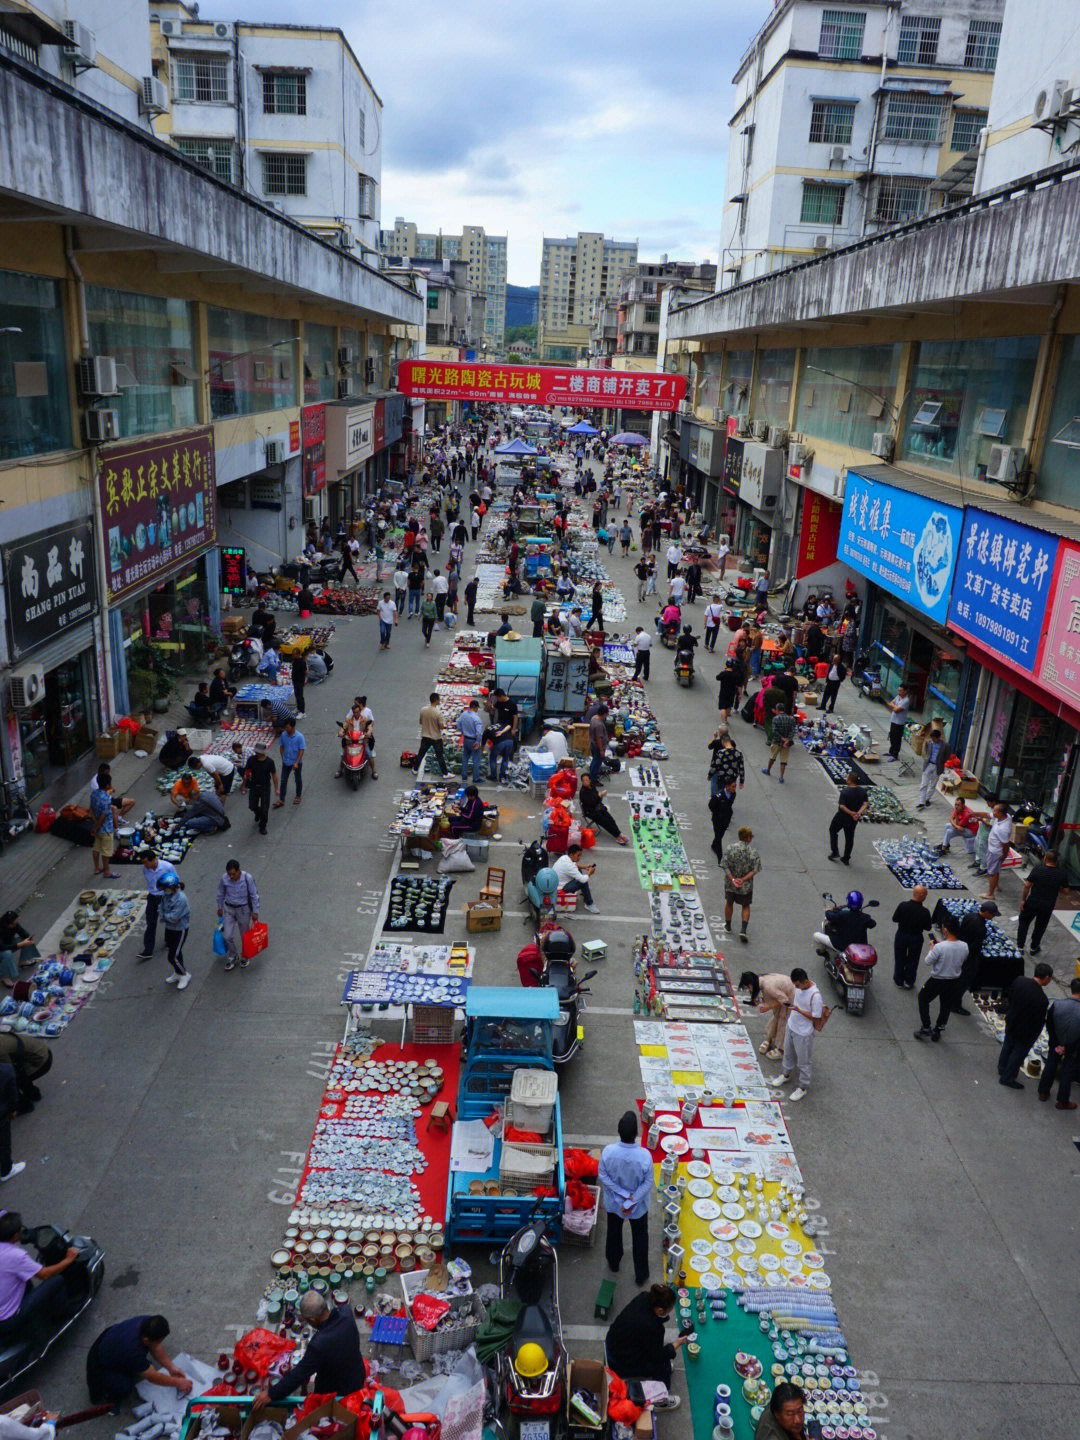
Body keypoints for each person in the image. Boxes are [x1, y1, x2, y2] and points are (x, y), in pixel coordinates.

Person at [255, 1292, 366, 1408]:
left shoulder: (319, 1344)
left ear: (312, 1320)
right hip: (357, 1375)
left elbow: (298, 1375)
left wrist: (271, 1394)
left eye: (306, 1319)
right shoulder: (346, 1312)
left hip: (338, 1391)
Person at [86, 1315, 191, 1410]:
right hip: (101, 1364)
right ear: (145, 1340)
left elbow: (155, 1346)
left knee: (135, 1366)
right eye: (158, 1341)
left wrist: (171, 1367)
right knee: (125, 1387)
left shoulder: (147, 1322)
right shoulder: (133, 1352)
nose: (159, 1344)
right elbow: (153, 1377)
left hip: (110, 1341)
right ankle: (108, 1397)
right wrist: (178, 1382)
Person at [0, 1212, 82, 1332]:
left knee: (24, 1278)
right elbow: (45, 1274)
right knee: (56, 1280)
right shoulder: (15, 1256)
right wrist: (68, 1260)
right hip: (9, 1319)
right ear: (16, 1235)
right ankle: (61, 1315)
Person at [598, 1111, 653, 1286]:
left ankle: (614, 1263)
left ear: (618, 1131)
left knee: (613, 1233)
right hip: (638, 1206)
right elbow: (648, 1182)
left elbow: (603, 1177)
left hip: (615, 1204)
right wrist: (631, 1199)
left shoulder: (608, 1152)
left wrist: (621, 1195)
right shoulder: (644, 1156)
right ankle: (641, 1274)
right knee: (640, 1237)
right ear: (637, 1134)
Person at [605, 1284, 687, 1397]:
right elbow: (657, 1356)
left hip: (611, 1343)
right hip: (619, 1362)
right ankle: (662, 1396)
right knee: (663, 1365)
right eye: (669, 1309)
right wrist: (676, 1344)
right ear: (660, 1310)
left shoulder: (644, 1296)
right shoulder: (653, 1328)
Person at [770, 968, 831, 1102]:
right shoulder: (798, 988)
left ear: (804, 981)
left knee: (803, 1062)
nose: (796, 988)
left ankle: (802, 1087)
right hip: (792, 1026)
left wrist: (799, 1010)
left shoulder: (815, 995)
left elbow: (816, 1016)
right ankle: (785, 1074)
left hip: (804, 1033)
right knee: (788, 1053)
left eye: (797, 985)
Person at [998, 963, 1053, 1087]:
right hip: (1025, 1030)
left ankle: (1002, 1068)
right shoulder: (1042, 999)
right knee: (1018, 1053)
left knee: (1007, 1045)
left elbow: (1010, 998)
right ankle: (1007, 1077)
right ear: (1046, 977)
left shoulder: (1019, 981)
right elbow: (1038, 1021)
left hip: (1012, 1020)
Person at [914, 915, 967, 1042]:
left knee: (923, 998)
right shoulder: (964, 946)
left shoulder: (940, 947)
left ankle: (926, 1027)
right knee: (946, 1006)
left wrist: (932, 948)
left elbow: (928, 961)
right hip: (954, 980)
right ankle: (938, 1029)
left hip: (937, 980)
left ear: (945, 930)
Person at [1038, 977, 1080, 1108]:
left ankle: (1043, 1092)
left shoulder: (1057, 1005)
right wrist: (1067, 1047)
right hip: (1073, 1048)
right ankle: (1062, 1101)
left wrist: (1057, 1044)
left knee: (1051, 1064)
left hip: (1055, 1044)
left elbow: (1049, 1025)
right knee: (1067, 1072)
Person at [739, 970, 796, 1060]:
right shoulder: (762, 980)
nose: (749, 989)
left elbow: (785, 1001)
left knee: (782, 1020)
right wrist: (760, 1001)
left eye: (747, 987)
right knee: (777, 1016)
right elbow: (770, 997)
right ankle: (769, 1039)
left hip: (791, 997)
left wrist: (769, 1007)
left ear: (750, 985)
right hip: (784, 995)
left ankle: (781, 1049)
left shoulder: (768, 987)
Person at [953, 899, 998, 1013]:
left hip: (960, 949)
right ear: (987, 912)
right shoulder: (981, 928)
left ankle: (951, 998)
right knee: (964, 980)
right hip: (969, 957)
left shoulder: (969, 916)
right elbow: (975, 947)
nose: (993, 916)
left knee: (957, 977)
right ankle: (955, 1004)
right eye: (992, 914)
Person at [1017, 850, 1066, 954]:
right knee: (1040, 926)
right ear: (1056, 860)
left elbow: (1027, 886)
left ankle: (1020, 947)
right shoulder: (1061, 873)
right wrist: (1056, 887)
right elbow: (1066, 890)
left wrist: (1023, 900)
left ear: (1045, 858)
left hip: (1032, 902)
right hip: (1048, 905)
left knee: (1024, 922)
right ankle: (1034, 947)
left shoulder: (1038, 869)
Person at [217, 859, 260, 972]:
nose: (231, 876)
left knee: (244, 935)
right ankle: (233, 955)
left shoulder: (247, 878)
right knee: (227, 936)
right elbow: (220, 893)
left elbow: (254, 895)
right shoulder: (224, 878)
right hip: (229, 910)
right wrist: (219, 907)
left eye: (233, 873)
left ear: (239, 871)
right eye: (229, 874)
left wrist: (255, 912)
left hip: (243, 910)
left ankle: (245, 956)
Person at [892, 885, 933, 989]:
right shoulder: (925, 912)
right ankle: (909, 980)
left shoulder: (903, 905)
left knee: (899, 958)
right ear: (922, 895)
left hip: (901, 935)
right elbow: (928, 927)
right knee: (913, 960)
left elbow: (895, 919)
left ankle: (898, 980)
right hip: (916, 938)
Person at [724, 826, 761, 943]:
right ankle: (743, 930)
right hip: (746, 886)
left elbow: (725, 866)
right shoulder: (753, 852)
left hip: (731, 884)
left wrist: (733, 879)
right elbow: (755, 870)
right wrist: (743, 880)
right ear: (748, 838)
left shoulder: (730, 848)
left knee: (729, 903)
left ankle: (728, 926)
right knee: (745, 906)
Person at [827, 771, 869, 865]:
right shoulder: (862, 791)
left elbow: (842, 806)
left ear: (850, 781)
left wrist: (851, 813)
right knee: (849, 837)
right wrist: (857, 813)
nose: (846, 779)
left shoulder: (845, 791)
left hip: (842, 817)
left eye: (847, 778)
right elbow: (865, 804)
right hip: (853, 820)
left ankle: (835, 851)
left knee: (833, 830)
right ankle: (846, 857)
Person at [157, 872, 190, 990]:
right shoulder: (166, 896)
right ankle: (177, 972)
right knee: (175, 951)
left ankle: (184, 974)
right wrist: (166, 916)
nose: (163, 890)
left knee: (172, 957)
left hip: (180, 930)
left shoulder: (181, 899)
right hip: (170, 928)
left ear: (171, 887)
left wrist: (165, 916)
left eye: (165, 887)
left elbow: (173, 917)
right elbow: (160, 909)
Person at [755, 1382, 821, 1440]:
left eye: (800, 1411)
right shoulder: (772, 1437)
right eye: (790, 1414)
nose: (798, 1420)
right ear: (777, 1414)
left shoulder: (776, 1404)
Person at [579, 773, 629, 845]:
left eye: (586, 780)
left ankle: (619, 834)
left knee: (611, 819)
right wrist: (600, 796)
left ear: (590, 780)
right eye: (583, 781)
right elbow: (592, 803)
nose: (585, 782)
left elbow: (596, 797)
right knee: (606, 823)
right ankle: (618, 836)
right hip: (591, 811)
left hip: (598, 807)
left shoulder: (592, 786)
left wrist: (600, 796)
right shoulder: (583, 792)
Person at [242, 741, 278, 835]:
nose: (257, 754)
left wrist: (276, 788)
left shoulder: (269, 762)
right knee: (252, 805)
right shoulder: (251, 759)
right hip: (254, 785)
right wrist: (246, 777)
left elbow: (274, 775)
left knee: (265, 808)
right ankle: (258, 813)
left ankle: (262, 826)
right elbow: (247, 770)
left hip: (265, 787)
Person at [981, 803, 1013, 902]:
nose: (992, 812)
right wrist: (973, 813)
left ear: (1000, 813)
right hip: (996, 850)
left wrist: (1004, 855)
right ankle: (996, 886)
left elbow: (1006, 844)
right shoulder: (1006, 817)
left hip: (995, 851)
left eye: (995, 811)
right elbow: (987, 815)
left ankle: (990, 894)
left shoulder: (1003, 829)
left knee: (992, 872)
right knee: (996, 869)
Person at [552, 845, 598, 914]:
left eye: (580, 855)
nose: (579, 857)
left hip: (557, 884)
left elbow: (575, 865)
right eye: (578, 855)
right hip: (561, 889)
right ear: (571, 855)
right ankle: (589, 904)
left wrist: (584, 867)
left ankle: (585, 891)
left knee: (579, 872)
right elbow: (583, 879)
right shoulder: (569, 866)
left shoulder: (564, 857)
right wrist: (589, 873)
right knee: (583, 881)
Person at [90, 779, 121, 880]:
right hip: (106, 828)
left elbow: (91, 808)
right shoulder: (106, 798)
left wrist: (95, 823)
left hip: (98, 827)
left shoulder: (94, 793)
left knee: (96, 848)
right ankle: (107, 871)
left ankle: (97, 868)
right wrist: (97, 826)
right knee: (106, 851)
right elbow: (104, 815)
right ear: (107, 785)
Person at [0, 911, 37, 990]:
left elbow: (22, 931)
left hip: (8, 943)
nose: (16, 924)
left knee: (25, 940)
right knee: (7, 954)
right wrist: (20, 944)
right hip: (1, 948)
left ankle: (22, 962)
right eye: (14, 924)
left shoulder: (14, 924)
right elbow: (2, 947)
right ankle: (4, 977)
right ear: (7, 924)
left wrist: (29, 937)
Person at [490, 689, 519, 783]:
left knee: (508, 753)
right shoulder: (499, 702)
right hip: (500, 729)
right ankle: (498, 772)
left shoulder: (512, 705)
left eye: (498, 698)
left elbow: (515, 717)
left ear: (502, 696)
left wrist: (514, 729)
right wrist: (489, 705)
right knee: (499, 750)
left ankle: (505, 773)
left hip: (509, 729)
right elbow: (493, 708)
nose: (497, 700)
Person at [274, 718, 305, 807]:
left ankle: (298, 796)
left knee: (297, 779)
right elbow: (281, 746)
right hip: (286, 762)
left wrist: (296, 763)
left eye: (288, 727)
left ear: (293, 726)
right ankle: (281, 799)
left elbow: (301, 750)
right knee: (283, 780)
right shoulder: (283, 735)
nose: (286, 729)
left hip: (296, 762)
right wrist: (283, 757)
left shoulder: (299, 737)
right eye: (285, 728)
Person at [916, 726, 948, 810]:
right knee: (924, 784)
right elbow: (927, 752)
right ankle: (921, 802)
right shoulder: (929, 743)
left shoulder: (945, 746)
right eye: (932, 739)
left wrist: (941, 763)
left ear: (939, 738)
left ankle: (927, 799)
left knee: (933, 785)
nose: (933, 740)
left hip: (938, 767)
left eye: (935, 739)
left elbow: (947, 756)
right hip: (928, 765)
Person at [763, 707, 796, 783]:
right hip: (786, 744)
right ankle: (781, 777)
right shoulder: (790, 719)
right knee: (783, 760)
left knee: (772, 757)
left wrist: (782, 738)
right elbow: (793, 731)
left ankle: (768, 770)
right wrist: (787, 740)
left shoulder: (775, 718)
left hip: (777, 741)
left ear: (777, 710)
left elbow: (774, 731)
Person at [418, 693, 447, 775]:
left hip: (425, 736)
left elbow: (421, 722)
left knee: (421, 753)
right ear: (437, 700)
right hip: (436, 738)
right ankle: (445, 773)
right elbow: (441, 727)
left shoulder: (423, 709)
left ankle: (415, 768)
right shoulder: (438, 713)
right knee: (440, 756)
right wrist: (444, 726)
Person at [457, 699, 485, 783]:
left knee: (465, 758)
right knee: (476, 760)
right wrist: (478, 741)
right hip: (473, 741)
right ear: (475, 707)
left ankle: (464, 776)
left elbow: (458, 723)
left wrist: (462, 731)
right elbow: (479, 733)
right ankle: (475, 778)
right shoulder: (476, 718)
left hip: (466, 739)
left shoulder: (464, 714)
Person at [886, 684, 910, 760]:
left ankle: (895, 755)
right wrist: (895, 707)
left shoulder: (906, 701)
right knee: (892, 737)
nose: (899, 692)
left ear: (905, 691)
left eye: (900, 690)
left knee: (897, 739)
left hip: (899, 723)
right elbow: (890, 704)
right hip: (893, 720)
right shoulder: (898, 697)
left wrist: (894, 707)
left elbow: (897, 710)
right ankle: (890, 752)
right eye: (898, 690)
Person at [588, 702, 609, 782]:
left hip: (593, 744)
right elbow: (599, 738)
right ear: (603, 714)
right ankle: (593, 779)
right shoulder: (599, 724)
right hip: (597, 746)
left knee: (594, 760)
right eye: (606, 714)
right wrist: (601, 750)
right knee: (596, 762)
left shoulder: (594, 718)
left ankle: (592, 775)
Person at [291, 651, 308, 718]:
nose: (293, 656)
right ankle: (298, 708)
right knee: (296, 695)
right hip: (295, 680)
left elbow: (305, 671)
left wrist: (304, 679)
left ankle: (302, 712)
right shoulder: (295, 660)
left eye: (294, 654)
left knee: (300, 696)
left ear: (298, 654)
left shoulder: (302, 662)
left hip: (300, 681)